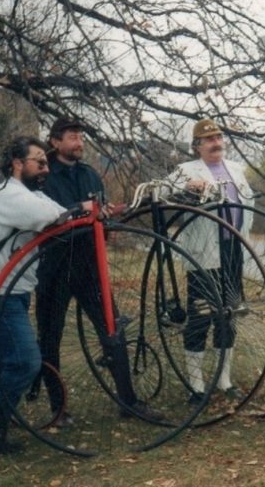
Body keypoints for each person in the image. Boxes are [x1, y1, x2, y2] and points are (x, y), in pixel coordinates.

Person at [36, 116, 160, 424]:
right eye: (72, 137)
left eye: (80, 137)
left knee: (112, 331)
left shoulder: (90, 174)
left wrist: (107, 217)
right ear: (55, 142)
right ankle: (58, 409)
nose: (79, 143)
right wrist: (84, 210)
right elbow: (50, 218)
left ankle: (128, 402)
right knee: (49, 337)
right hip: (55, 267)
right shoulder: (45, 177)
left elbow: (100, 218)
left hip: (90, 268)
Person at [0, 136, 67, 459]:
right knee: (26, 362)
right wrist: (78, 210)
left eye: (46, 162)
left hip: (11, 294)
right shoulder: (9, 195)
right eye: (39, 161)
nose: (45, 168)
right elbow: (53, 216)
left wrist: (72, 211)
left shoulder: (25, 193)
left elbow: (54, 209)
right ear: (18, 164)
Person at [166, 118, 254, 403]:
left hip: (233, 249)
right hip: (205, 254)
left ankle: (223, 378)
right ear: (197, 146)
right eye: (209, 140)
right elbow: (165, 193)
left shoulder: (237, 169)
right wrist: (189, 186)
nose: (216, 143)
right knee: (201, 316)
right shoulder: (184, 170)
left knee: (229, 315)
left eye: (218, 138)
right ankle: (196, 384)